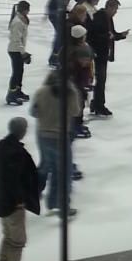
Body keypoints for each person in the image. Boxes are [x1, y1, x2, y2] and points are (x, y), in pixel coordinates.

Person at [0, 118, 40, 261]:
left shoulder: (1, 146)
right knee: (17, 241)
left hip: (1, 200)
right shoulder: (17, 153)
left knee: (8, 237)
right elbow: (14, 179)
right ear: (22, 131)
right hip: (13, 204)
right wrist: (19, 200)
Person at [31, 70, 80, 212]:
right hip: (60, 137)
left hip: (42, 135)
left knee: (47, 165)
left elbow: (34, 112)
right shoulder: (70, 93)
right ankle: (61, 204)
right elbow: (76, 111)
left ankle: (46, 197)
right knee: (64, 172)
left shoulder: (41, 92)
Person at [88, 0, 126, 118]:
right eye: (115, 9)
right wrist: (107, 36)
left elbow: (112, 34)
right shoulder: (99, 17)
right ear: (109, 7)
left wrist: (121, 35)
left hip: (103, 53)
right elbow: (93, 35)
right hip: (98, 53)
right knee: (101, 80)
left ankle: (97, 103)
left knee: (101, 80)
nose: (116, 12)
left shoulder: (108, 18)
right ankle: (99, 105)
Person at [47, 0, 81, 64]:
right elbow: (57, 3)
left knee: (62, 35)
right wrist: (67, 12)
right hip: (54, 13)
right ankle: (54, 58)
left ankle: (57, 56)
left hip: (61, 13)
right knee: (60, 35)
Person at [6, 0, 33, 105]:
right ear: (24, 10)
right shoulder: (17, 22)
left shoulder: (22, 19)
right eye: (28, 9)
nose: (29, 12)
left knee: (20, 72)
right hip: (15, 50)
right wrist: (23, 53)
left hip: (18, 50)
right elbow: (16, 40)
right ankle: (11, 95)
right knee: (16, 73)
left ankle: (17, 91)